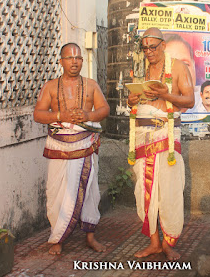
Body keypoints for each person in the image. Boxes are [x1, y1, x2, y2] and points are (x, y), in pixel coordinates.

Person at [33, 43, 110, 255]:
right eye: (69, 58)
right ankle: (57, 237)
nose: (74, 61)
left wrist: (88, 116)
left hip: (85, 145)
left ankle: (90, 237)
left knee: (89, 190)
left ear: (82, 61)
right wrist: (60, 116)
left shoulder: (92, 85)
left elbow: (104, 109)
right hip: (59, 146)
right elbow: (38, 114)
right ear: (61, 61)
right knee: (57, 191)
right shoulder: (50, 87)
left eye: (78, 58)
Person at [127, 27, 194, 260]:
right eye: (144, 48)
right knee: (144, 191)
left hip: (166, 138)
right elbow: (133, 103)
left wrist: (165, 95)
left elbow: (190, 100)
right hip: (143, 138)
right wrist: (131, 99)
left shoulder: (177, 67)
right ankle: (154, 243)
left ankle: (168, 243)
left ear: (163, 46)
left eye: (153, 47)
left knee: (169, 190)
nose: (148, 52)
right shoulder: (141, 70)